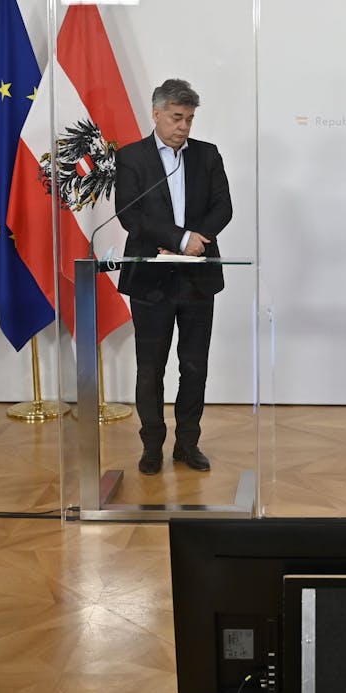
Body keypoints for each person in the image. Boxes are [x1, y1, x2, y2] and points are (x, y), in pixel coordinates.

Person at [114, 79, 234, 476]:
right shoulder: (132, 157)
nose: (184, 126)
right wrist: (180, 239)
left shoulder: (207, 155)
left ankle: (187, 443)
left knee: (194, 365)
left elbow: (223, 207)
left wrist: (195, 242)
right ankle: (151, 445)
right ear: (157, 113)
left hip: (198, 278)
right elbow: (132, 215)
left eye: (190, 119)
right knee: (150, 367)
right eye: (177, 117)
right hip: (151, 278)